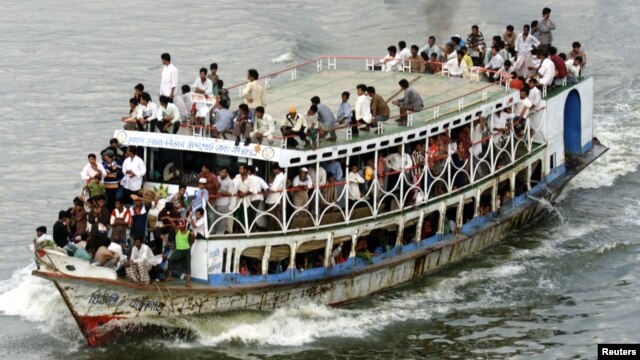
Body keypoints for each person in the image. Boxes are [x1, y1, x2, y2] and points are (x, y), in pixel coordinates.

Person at [214, 167, 233, 235]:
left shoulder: (230, 181)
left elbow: (230, 193)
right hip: (216, 202)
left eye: (223, 172)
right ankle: (214, 232)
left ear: (227, 173)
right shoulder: (217, 178)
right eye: (221, 172)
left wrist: (220, 193)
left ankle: (220, 234)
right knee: (216, 219)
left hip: (224, 203)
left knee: (223, 220)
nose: (221, 173)